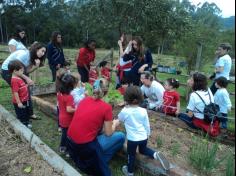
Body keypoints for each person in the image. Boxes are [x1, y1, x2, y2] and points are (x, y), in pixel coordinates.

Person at [67, 78, 125, 176]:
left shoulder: (84, 100)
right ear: (106, 91)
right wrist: (114, 123)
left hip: (71, 143)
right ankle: (101, 159)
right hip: (85, 146)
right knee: (121, 136)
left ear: (93, 88)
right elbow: (108, 133)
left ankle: (98, 158)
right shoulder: (106, 107)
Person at [114, 85, 170, 176]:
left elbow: (119, 119)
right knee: (143, 150)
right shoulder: (143, 110)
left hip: (132, 139)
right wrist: (148, 134)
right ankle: (155, 154)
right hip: (143, 137)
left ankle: (129, 172)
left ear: (126, 98)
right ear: (140, 97)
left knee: (131, 155)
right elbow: (146, 124)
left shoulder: (125, 111)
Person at [1, 42, 47, 120]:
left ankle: (30, 114)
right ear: (36, 49)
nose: (43, 54)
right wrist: (27, 78)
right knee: (19, 91)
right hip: (8, 71)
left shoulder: (33, 58)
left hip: (17, 71)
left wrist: (36, 67)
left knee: (26, 90)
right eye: (42, 51)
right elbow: (16, 69)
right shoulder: (24, 54)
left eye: (44, 52)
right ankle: (21, 115)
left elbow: (26, 71)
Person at [178, 72, 220, 137]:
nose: (188, 81)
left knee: (180, 115)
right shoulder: (208, 89)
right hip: (210, 119)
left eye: (191, 80)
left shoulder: (194, 95)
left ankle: (200, 128)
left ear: (196, 83)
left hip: (199, 122)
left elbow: (190, 115)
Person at [57, 72, 76, 155]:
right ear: (70, 86)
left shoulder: (59, 93)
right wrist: (77, 109)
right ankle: (68, 151)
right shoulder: (69, 97)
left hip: (61, 117)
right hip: (68, 119)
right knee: (69, 135)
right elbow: (69, 109)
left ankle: (62, 147)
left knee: (64, 134)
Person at [8, 60, 31, 128]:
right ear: (15, 71)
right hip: (20, 101)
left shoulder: (18, 78)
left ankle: (26, 122)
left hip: (25, 99)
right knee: (22, 114)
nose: (22, 72)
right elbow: (15, 92)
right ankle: (24, 125)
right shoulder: (14, 80)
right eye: (21, 70)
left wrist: (27, 85)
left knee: (26, 112)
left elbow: (21, 88)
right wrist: (18, 102)